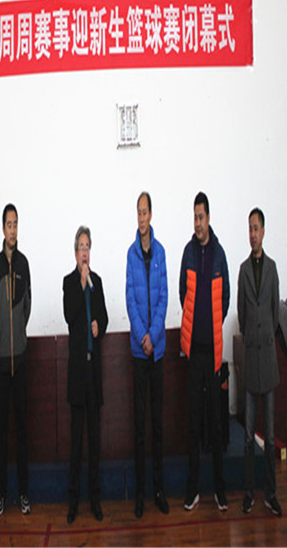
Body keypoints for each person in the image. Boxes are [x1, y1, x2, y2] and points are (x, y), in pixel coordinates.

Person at [179, 191, 230, 512]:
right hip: (193, 354)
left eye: (201, 217)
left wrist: (213, 326)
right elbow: (182, 292)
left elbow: (225, 298)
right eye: (194, 217)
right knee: (194, 423)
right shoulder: (187, 252)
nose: (197, 223)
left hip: (213, 354)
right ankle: (193, 490)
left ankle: (220, 491)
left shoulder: (219, 254)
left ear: (209, 218)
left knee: (215, 423)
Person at [126, 192, 169, 519]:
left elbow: (164, 297)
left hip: (157, 352)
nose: (141, 217)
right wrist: (143, 337)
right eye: (138, 212)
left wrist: (153, 336)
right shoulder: (130, 254)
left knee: (157, 426)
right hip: (139, 353)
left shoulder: (161, 252)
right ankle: (140, 494)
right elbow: (130, 298)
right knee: (140, 427)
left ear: (151, 215)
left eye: (145, 212)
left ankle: (159, 491)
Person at [237, 208, 282, 516]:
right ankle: (249, 493)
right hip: (251, 361)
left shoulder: (273, 268)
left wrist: (264, 333)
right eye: (250, 229)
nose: (253, 234)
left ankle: (271, 493)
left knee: (270, 433)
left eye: (257, 228)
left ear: (263, 232)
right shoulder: (242, 270)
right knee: (248, 435)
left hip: (268, 359)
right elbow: (241, 314)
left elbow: (276, 313)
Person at [63, 226, 108, 525]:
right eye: (80, 246)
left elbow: (103, 317)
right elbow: (70, 316)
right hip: (78, 373)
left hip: (94, 371)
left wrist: (99, 326)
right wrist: (81, 283)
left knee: (94, 441)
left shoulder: (98, 283)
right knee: (76, 442)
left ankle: (95, 499)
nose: (84, 251)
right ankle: (73, 501)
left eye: (87, 246)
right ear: (75, 252)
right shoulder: (70, 283)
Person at [0, 204, 31, 517]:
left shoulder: (24, 264)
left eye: (16, 224)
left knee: (22, 431)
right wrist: (3, 336)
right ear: (3, 228)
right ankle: (1, 494)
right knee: (2, 432)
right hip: (1, 361)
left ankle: (24, 493)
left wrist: (17, 335)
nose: (12, 229)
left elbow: (26, 306)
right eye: (8, 224)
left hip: (22, 359)